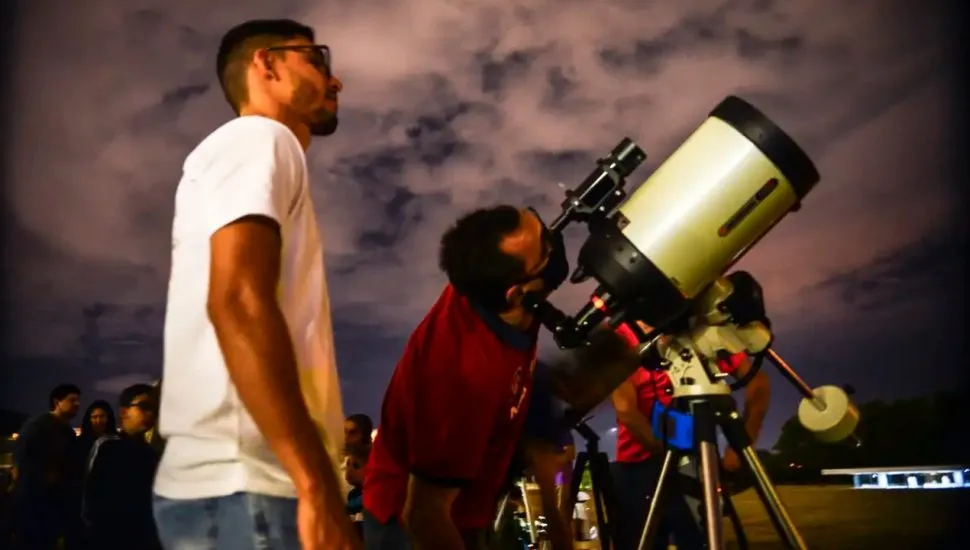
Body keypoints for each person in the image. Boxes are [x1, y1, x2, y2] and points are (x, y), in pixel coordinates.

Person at [152, 18, 359, 550]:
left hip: (237, 487)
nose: (335, 81)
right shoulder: (260, 137)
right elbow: (238, 302)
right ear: (266, 64)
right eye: (317, 60)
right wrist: (315, 485)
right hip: (255, 486)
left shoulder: (252, 150)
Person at [362, 205, 572, 550]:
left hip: (468, 506)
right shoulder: (461, 380)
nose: (555, 242)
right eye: (546, 249)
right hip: (410, 526)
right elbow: (424, 515)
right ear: (519, 294)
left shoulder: (490, 290)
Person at [610, 342, 771, 550]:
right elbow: (625, 409)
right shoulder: (622, 337)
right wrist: (666, 449)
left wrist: (744, 439)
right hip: (639, 464)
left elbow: (757, 381)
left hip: (695, 459)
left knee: (697, 541)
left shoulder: (701, 335)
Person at [84, 384, 162, 550]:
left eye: (154, 408)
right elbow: (90, 498)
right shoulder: (107, 447)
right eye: (144, 406)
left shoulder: (151, 454)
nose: (151, 413)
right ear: (124, 412)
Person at [11, 383, 83, 550]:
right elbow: (20, 462)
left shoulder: (68, 432)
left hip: (55, 506)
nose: (77, 404)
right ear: (57, 402)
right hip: (34, 505)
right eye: (72, 400)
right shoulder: (37, 426)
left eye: (78, 400)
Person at [78, 400, 117, 468]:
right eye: (94, 417)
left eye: (102, 416)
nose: (98, 421)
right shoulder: (80, 443)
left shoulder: (117, 441)